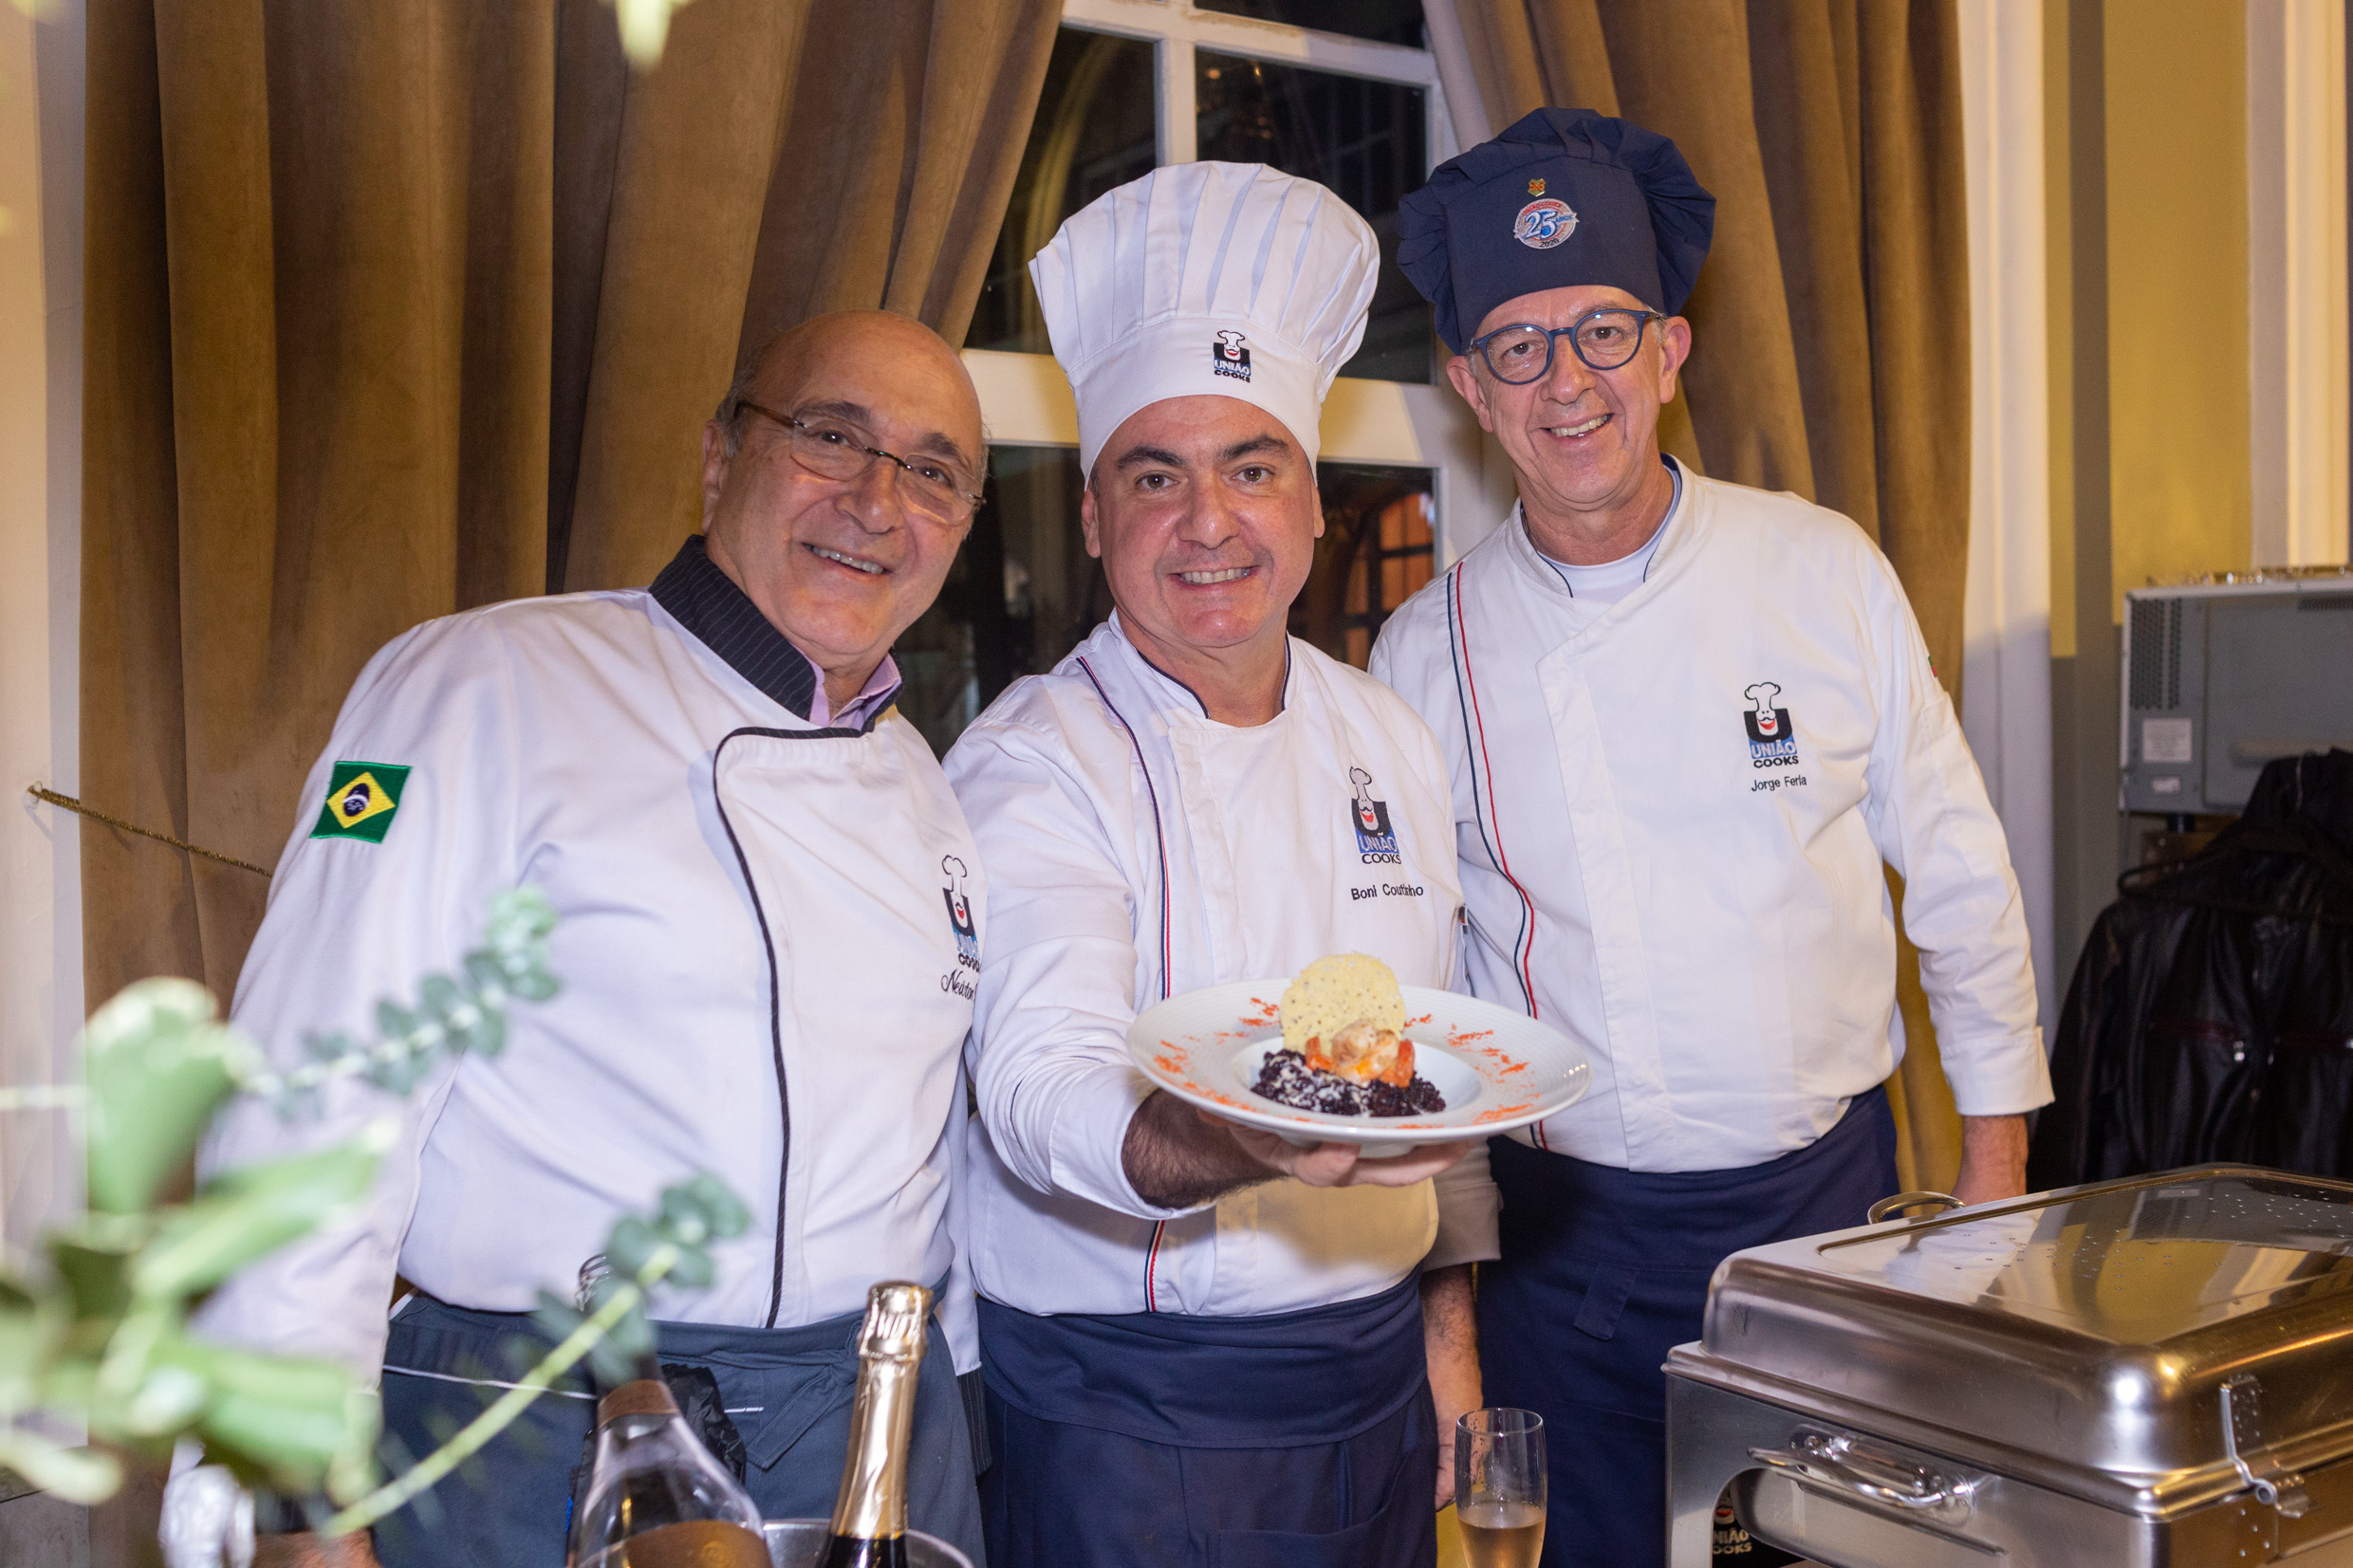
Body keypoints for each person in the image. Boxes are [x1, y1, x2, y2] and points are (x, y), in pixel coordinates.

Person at [179, 311, 994, 1568]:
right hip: (538, 1433)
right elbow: (311, 1099)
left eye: (932, 471)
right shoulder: (479, 686)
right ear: (719, 457)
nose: (877, 502)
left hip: (867, 1436)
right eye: (831, 437)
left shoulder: (921, 780)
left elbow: (928, 1166)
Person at [1370, 108, 2053, 1567]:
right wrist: (1448, 1325)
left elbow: (1961, 877)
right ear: (1470, 388)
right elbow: (1418, 1018)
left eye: (1604, 332)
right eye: (1519, 346)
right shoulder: (1422, 652)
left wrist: (1993, 1190)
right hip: (1561, 1263)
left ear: (1671, 351)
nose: (1568, 381)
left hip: (1827, 1228)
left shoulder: (1823, 568)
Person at [945, 162, 1494, 1568]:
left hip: (1375, 1380)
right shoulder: (1033, 760)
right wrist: (1243, 1136)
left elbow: (1438, 1062)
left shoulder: (1388, 735)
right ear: (1092, 518)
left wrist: (1446, 1342)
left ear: (1312, 501)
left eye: (1251, 469)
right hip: (1133, 1411)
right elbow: (1039, 1090)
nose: (1208, 522)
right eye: (1156, 476)